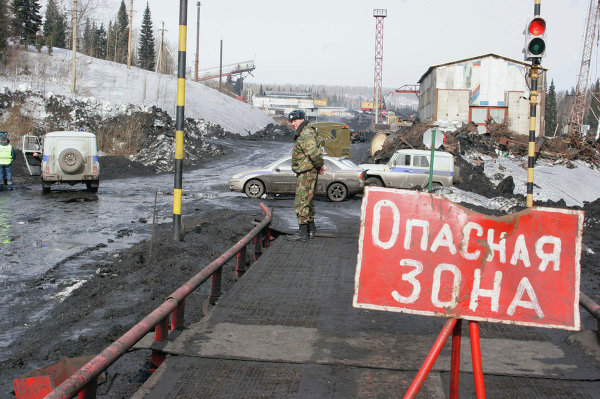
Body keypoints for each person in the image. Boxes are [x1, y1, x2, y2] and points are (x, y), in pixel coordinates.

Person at [288, 110, 325, 241]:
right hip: (308, 170)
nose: (293, 124)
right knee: (308, 201)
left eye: (295, 121)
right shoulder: (306, 131)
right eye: (291, 122)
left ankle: (303, 233)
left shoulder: (305, 133)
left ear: (302, 119)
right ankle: (311, 229)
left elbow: (314, 153)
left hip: (307, 171)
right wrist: (319, 166)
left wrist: (319, 166)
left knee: (301, 201)